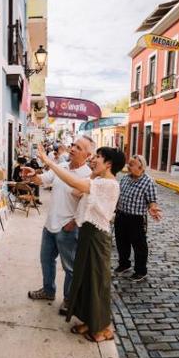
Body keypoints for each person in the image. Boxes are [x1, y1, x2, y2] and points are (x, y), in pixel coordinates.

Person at [37, 144, 126, 342]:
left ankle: (102, 328)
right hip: (87, 234)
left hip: (97, 237)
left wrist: (49, 162)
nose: (94, 160)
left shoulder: (109, 184)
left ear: (109, 164)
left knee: (97, 283)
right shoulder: (99, 181)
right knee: (86, 281)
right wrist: (94, 174)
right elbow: (75, 193)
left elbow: (75, 186)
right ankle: (89, 321)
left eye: (99, 158)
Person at [26, 136, 95, 315]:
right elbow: (43, 180)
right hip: (50, 225)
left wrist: (72, 224)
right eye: (73, 145)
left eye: (78, 147)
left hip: (68, 228)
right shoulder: (61, 167)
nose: (72, 148)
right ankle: (48, 291)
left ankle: (68, 299)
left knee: (69, 267)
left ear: (87, 155)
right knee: (46, 260)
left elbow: (86, 206)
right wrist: (33, 175)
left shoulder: (88, 175)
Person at [114, 155, 162, 282]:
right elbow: (119, 195)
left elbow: (152, 200)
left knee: (139, 246)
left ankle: (141, 271)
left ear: (140, 167)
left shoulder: (148, 182)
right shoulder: (124, 178)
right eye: (128, 164)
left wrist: (153, 208)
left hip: (136, 219)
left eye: (131, 164)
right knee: (121, 242)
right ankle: (124, 264)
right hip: (121, 215)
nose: (128, 166)